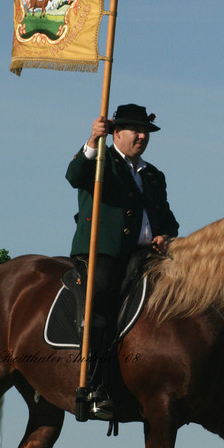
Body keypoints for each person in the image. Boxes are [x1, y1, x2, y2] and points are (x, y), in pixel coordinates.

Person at [66, 103, 179, 419]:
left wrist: (166, 236)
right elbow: (75, 176)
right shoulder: (100, 161)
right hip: (105, 253)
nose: (142, 136)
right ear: (116, 133)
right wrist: (93, 140)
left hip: (148, 257)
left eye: (146, 132)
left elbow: (167, 218)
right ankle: (93, 385)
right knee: (100, 299)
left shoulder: (153, 175)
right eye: (136, 131)